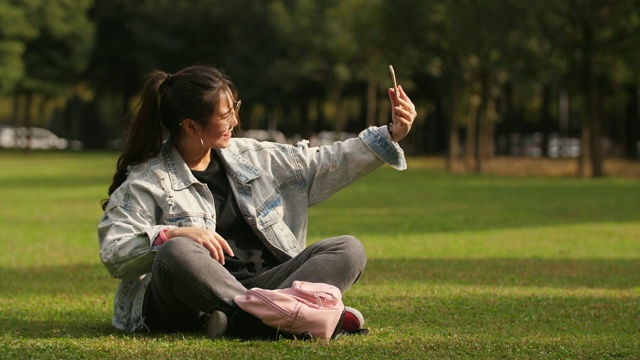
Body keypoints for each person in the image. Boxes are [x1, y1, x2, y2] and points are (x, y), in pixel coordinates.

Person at [98, 64, 417, 339]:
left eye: (234, 109)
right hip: (189, 301)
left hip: (266, 284)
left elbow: (320, 163)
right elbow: (116, 252)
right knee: (175, 252)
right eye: (225, 116)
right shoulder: (148, 179)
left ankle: (249, 319)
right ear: (191, 125)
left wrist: (390, 134)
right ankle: (294, 315)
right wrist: (173, 234)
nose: (235, 121)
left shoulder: (251, 156)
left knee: (348, 248)